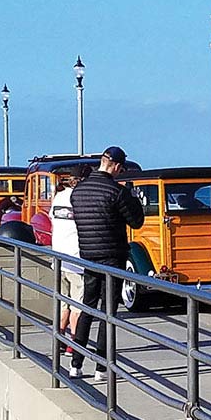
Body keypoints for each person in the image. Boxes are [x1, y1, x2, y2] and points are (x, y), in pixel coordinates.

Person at [68, 146, 145, 379]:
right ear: (117, 166)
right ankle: (102, 367)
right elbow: (136, 222)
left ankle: (75, 364)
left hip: (88, 256)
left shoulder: (78, 192)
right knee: (108, 313)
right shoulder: (116, 192)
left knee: (87, 307)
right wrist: (133, 198)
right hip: (113, 258)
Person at [50, 164, 90, 353]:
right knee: (77, 306)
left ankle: (59, 339)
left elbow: (52, 221)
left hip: (59, 258)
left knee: (63, 302)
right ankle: (73, 345)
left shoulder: (59, 197)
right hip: (77, 259)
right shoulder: (82, 199)